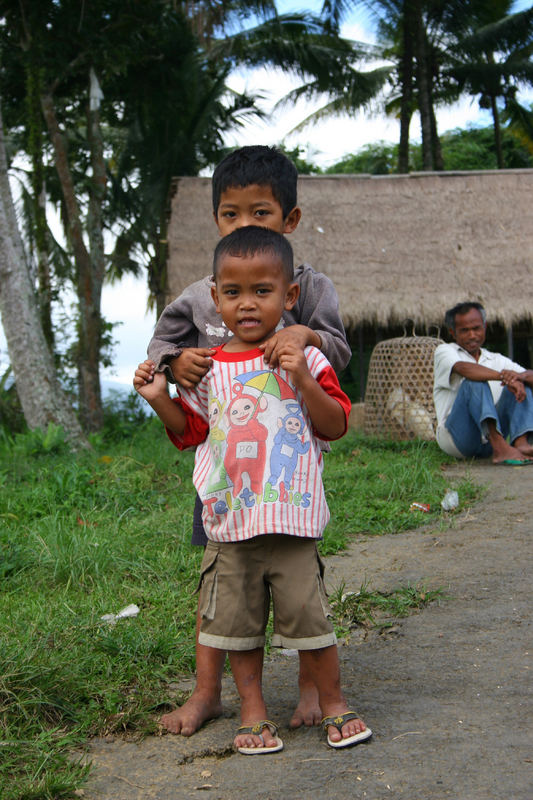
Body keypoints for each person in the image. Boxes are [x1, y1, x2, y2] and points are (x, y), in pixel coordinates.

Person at [134, 226, 371, 753]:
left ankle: (334, 703)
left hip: (292, 520)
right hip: (230, 523)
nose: (247, 304)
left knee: (311, 621)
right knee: (236, 630)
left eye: (262, 291)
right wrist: (158, 396)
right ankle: (252, 711)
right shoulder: (206, 370)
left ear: (289, 297)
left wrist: (305, 380)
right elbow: (191, 431)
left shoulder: (305, 357)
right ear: (214, 297)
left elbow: (334, 425)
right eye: (233, 292)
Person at [433, 302, 533, 464]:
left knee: (522, 381)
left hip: (487, 444)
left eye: (476, 328)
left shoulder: (496, 358)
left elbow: (527, 375)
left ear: (484, 327)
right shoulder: (445, 351)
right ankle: (501, 448)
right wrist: (505, 377)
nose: (472, 335)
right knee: (474, 382)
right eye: (464, 330)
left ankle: (520, 442)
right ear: (453, 332)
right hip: (459, 439)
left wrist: (519, 378)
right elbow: (464, 369)